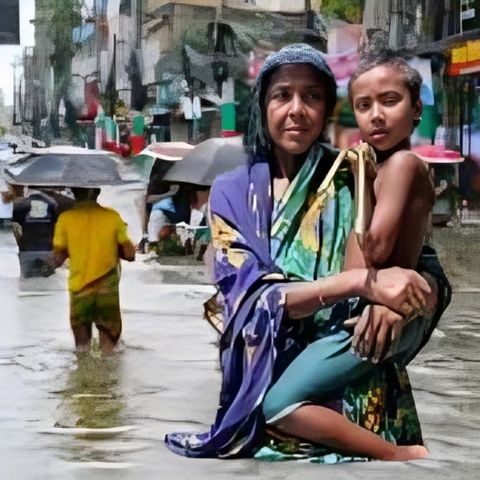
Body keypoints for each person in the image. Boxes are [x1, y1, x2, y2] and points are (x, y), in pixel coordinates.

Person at [165, 44, 450, 461]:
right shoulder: (231, 194)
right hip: (265, 411)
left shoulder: (356, 174)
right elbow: (247, 297)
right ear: (262, 103)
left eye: (312, 96)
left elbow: (421, 267)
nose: (296, 109)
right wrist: (363, 284)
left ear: (328, 110)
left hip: (361, 408)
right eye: (282, 95)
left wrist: (403, 305)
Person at [52, 187, 135, 355]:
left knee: (81, 349)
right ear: (96, 192)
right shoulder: (112, 217)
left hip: (79, 291)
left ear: (74, 193)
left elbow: (57, 259)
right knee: (108, 351)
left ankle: (83, 377)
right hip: (107, 289)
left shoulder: (65, 218)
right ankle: (109, 379)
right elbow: (129, 254)